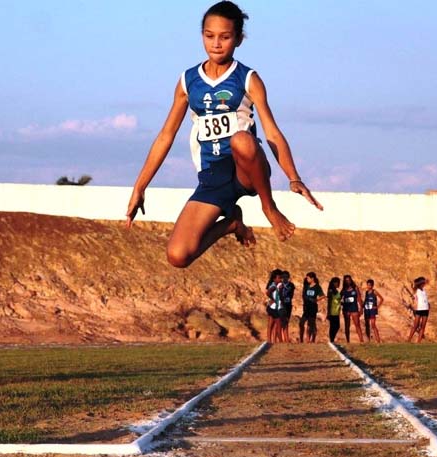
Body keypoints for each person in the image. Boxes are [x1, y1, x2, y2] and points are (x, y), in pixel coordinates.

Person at [125, 1, 323, 268]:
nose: (216, 44)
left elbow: (272, 131)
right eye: (209, 36)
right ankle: (232, 224)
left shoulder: (248, 78)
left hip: (247, 169)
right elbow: (165, 136)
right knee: (177, 255)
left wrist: (293, 177)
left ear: (239, 39)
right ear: (202, 36)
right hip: (213, 176)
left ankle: (269, 207)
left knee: (241, 140)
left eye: (225, 37)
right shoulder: (188, 81)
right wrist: (140, 187)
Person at [298, 272, 324, 343]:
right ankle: (301, 339)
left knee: (311, 324)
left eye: (308, 278)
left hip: (313, 308)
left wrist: (316, 300)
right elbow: (303, 296)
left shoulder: (317, 287)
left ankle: (311, 339)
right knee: (301, 323)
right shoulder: (306, 286)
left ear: (312, 278)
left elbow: (322, 295)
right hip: (306, 308)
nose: (307, 279)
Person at [341, 275, 364, 343]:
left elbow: (359, 298)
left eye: (349, 280)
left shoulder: (355, 288)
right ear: (344, 281)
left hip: (354, 308)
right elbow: (339, 298)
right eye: (346, 280)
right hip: (346, 309)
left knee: (357, 325)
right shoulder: (343, 289)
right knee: (347, 326)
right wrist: (342, 304)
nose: (348, 281)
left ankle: (361, 341)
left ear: (351, 280)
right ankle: (348, 341)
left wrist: (361, 308)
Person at [407, 277, 430, 342]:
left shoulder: (424, 291)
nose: (425, 284)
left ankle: (419, 342)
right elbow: (413, 286)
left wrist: (428, 305)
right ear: (421, 283)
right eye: (423, 283)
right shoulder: (416, 290)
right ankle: (409, 340)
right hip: (419, 309)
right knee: (416, 325)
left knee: (423, 326)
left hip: (426, 309)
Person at [264, 269, 285, 343]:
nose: (280, 279)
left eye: (281, 278)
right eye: (279, 278)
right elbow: (268, 292)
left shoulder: (277, 285)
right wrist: (272, 299)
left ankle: (269, 341)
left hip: (272, 307)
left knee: (271, 325)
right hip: (274, 308)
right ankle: (281, 341)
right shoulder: (273, 285)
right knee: (278, 325)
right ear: (274, 278)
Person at [363, 279, 384, 344]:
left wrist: (377, 307)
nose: (368, 286)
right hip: (367, 310)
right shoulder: (366, 292)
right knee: (367, 325)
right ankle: (368, 340)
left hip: (372, 310)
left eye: (370, 285)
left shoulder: (374, 292)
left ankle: (378, 340)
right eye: (368, 285)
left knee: (373, 325)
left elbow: (382, 299)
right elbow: (365, 301)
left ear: (372, 285)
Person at [325, 277, 343, 343]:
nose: (339, 284)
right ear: (334, 283)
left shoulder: (336, 290)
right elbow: (329, 302)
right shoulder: (331, 291)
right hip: (332, 311)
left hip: (336, 311)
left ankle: (332, 339)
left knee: (336, 326)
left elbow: (337, 300)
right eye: (338, 283)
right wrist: (328, 313)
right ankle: (331, 340)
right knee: (333, 326)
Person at [279, 270, 294, 343]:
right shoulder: (280, 285)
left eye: (286, 277)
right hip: (282, 305)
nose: (284, 278)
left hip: (288, 304)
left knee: (287, 321)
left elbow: (291, 295)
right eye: (283, 277)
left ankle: (286, 337)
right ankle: (282, 337)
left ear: (288, 277)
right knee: (282, 321)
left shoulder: (291, 285)